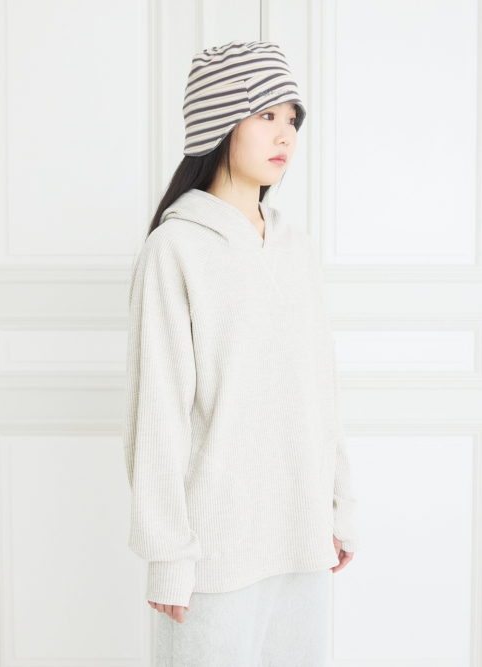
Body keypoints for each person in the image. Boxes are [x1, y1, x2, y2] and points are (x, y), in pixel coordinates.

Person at [123, 40, 360, 667]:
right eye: (266, 114)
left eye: (293, 118)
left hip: (302, 544)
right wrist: (167, 555)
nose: (286, 134)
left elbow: (319, 389)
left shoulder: (294, 249)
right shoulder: (175, 250)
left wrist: (338, 506)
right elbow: (159, 416)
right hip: (215, 554)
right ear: (218, 122)